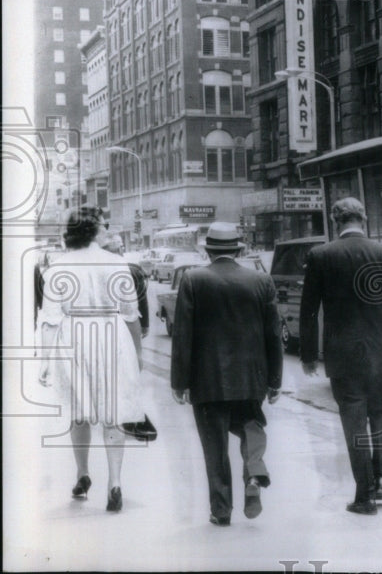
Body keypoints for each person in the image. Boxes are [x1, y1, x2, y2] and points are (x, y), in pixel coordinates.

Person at [299, 197, 382, 516]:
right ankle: (381, 482)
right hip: (381, 349)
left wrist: (308, 354)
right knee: (380, 412)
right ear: (363, 219)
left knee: (353, 422)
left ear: (336, 222)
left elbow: (308, 310)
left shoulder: (321, 255)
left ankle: (364, 496)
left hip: (342, 352)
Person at [170, 221, 283, 526]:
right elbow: (274, 335)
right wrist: (274, 380)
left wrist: (179, 382)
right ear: (239, 249)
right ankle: (255, 470)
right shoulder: (261, 280)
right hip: (251, 378)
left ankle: (221, 511)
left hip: (206, 381)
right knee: (252, 425)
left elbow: (183, 336)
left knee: (215, 446)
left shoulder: (193, 280)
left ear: (207, 251)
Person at [37, 206, 144, 512]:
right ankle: (115, 482)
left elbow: (50, 319)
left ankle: (83, 473)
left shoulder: (57, 267)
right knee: (113, 412)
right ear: (95, 231)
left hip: (74, 338)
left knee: (79, 411)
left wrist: (45, 361)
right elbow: (130, 314)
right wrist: (137, 354)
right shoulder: (117, 263)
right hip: (112, 335)